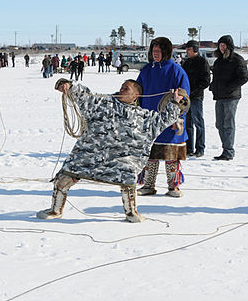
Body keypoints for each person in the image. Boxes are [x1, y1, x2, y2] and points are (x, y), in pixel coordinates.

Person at [37, 78, 185, 222]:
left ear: (135, 95)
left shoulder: (144, 117)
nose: (121, 89)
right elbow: (85, 97)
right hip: (89, 155)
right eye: (121, 86)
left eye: (126, 88)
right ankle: (56, 210)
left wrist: (175, 102)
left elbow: (164, 119)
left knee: (128, 179)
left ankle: (131, 212)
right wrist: (70, 86)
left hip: (123, 160)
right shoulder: (103, 103)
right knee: (63, 179)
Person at [136, 36, 191, 197]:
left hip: (170, 120)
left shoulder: (176, 71)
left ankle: (173, 186)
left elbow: (184, 98)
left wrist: (178, 119)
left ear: (166, 52)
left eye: (159, 51)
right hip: (149, 119)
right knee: (150, 154)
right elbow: (137, 92)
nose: (156, 54)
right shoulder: (146, 70)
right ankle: (148, 185)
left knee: (171, 154)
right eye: (154, 51)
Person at [209, 35, 248, 161]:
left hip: (231, 96)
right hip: (219, 96)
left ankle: (228, 151)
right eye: (220, 45)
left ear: (228, 46)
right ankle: (225, 148)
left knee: (228, 124)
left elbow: (243, 77)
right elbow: (216, 77)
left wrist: (229, 86)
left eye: (223, 45)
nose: (221, 48)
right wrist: (213, 86)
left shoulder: (237, 60)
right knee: (219, 124)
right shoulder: (218, 61)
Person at [182, 39, 211, 157]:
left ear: (195, 50)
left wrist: (194, 92)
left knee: (198, 122)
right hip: (186, 98)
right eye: (187, 49)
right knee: (187, 123)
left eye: (189, 49)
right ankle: (189, 148)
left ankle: (200, 148)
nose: (187, 52)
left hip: (196, 97)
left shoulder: (202, 62)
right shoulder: (186, 62)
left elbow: (206, 81)